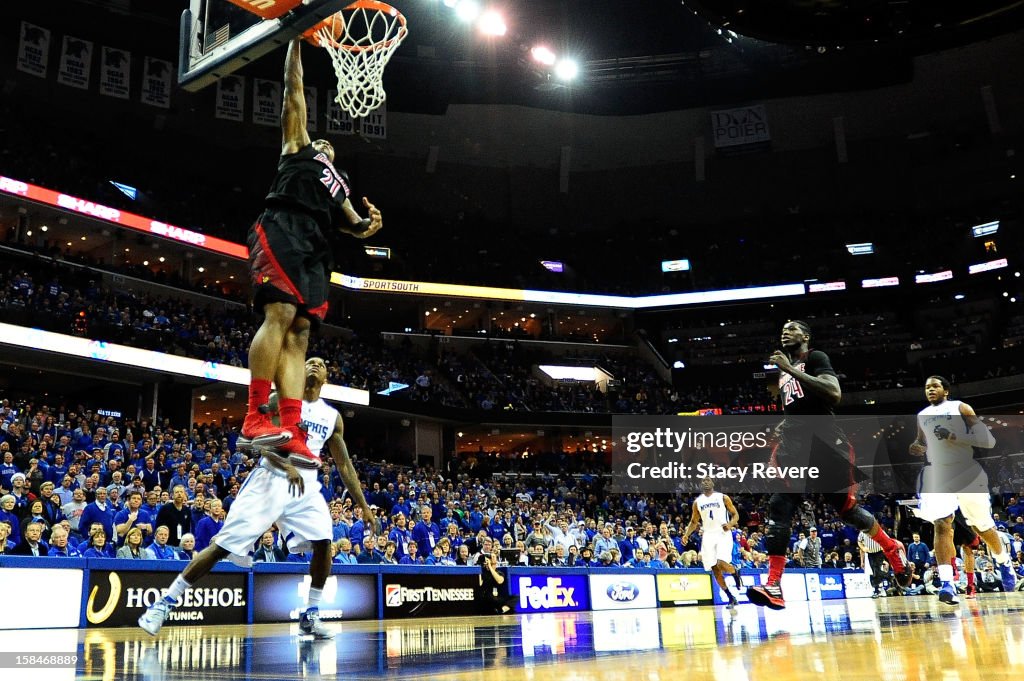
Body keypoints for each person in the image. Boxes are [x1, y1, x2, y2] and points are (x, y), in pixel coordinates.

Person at [139, 356, 375, 640]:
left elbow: (345, 465)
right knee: (222, 547)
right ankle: (163, 604)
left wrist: (363, 506)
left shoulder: (332, 417)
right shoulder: (280, 400)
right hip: (270, 478)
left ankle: (311, 615)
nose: (314, 363)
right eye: (309, 360)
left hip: (306, 485)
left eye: (322, 363)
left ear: (327, 377)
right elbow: (254, 438)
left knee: (325, 542)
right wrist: (285, 464)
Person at [236, 38, 382, 462]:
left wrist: (369, 226)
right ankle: (254, 415)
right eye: (324, 142)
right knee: (279, 313)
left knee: (300, 333)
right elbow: (293, 90)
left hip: (318, 249)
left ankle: (290, 425)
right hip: (284, 226)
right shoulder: (298, 148)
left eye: (331, 146)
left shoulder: (341, 185)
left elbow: (352, 225)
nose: (327, 144)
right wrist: (296, 40)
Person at [747, 321, 911, 610]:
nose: (785, 331)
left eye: (793, 328)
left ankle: (890, 547)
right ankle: (774, 584)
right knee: (780, 505)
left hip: (825, 445)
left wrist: (789, 369)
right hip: (795, 448)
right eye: (782, 328)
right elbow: (801, 407)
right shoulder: (788, 371)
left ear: (806, 336)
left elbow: (833, 394)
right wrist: (785, 422)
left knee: (846, 510)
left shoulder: (815, 358)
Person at [909, 375, 1017, 604]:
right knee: (942, 523)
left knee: (983, 527)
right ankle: (947, 583)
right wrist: (917, 447)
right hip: (938, 473)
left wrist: (955, 436)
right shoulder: (922, 416)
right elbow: (922, 441)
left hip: (967, 471)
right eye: (927, 387)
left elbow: (988, 441)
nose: (930, 390)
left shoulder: (960, 407)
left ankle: (1003, 560)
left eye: (935, 386)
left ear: (946, 390)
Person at [682, 477, 741, 607]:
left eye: (708, 480)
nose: (706, 481)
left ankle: (734, 571)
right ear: (700, 485)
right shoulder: (697, 502)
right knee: (714, 568)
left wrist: (730, 524)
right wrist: (686, 535)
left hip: (722, 533)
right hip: (708, 535)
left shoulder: (723, 497)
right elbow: (693, 522)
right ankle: (731, 598)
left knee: (720, 563)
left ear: (713, 483)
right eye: (703, 480)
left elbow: (736, 515)